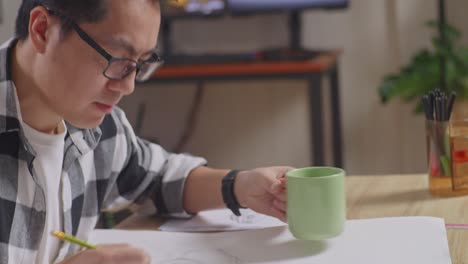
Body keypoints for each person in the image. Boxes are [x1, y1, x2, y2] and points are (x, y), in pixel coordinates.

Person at [0, 0, 291, 263]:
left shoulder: (97, 126)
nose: (128, 87)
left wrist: (243, 186)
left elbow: (159, 177)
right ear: (42, 31)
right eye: (116, 59)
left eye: (139, 65)